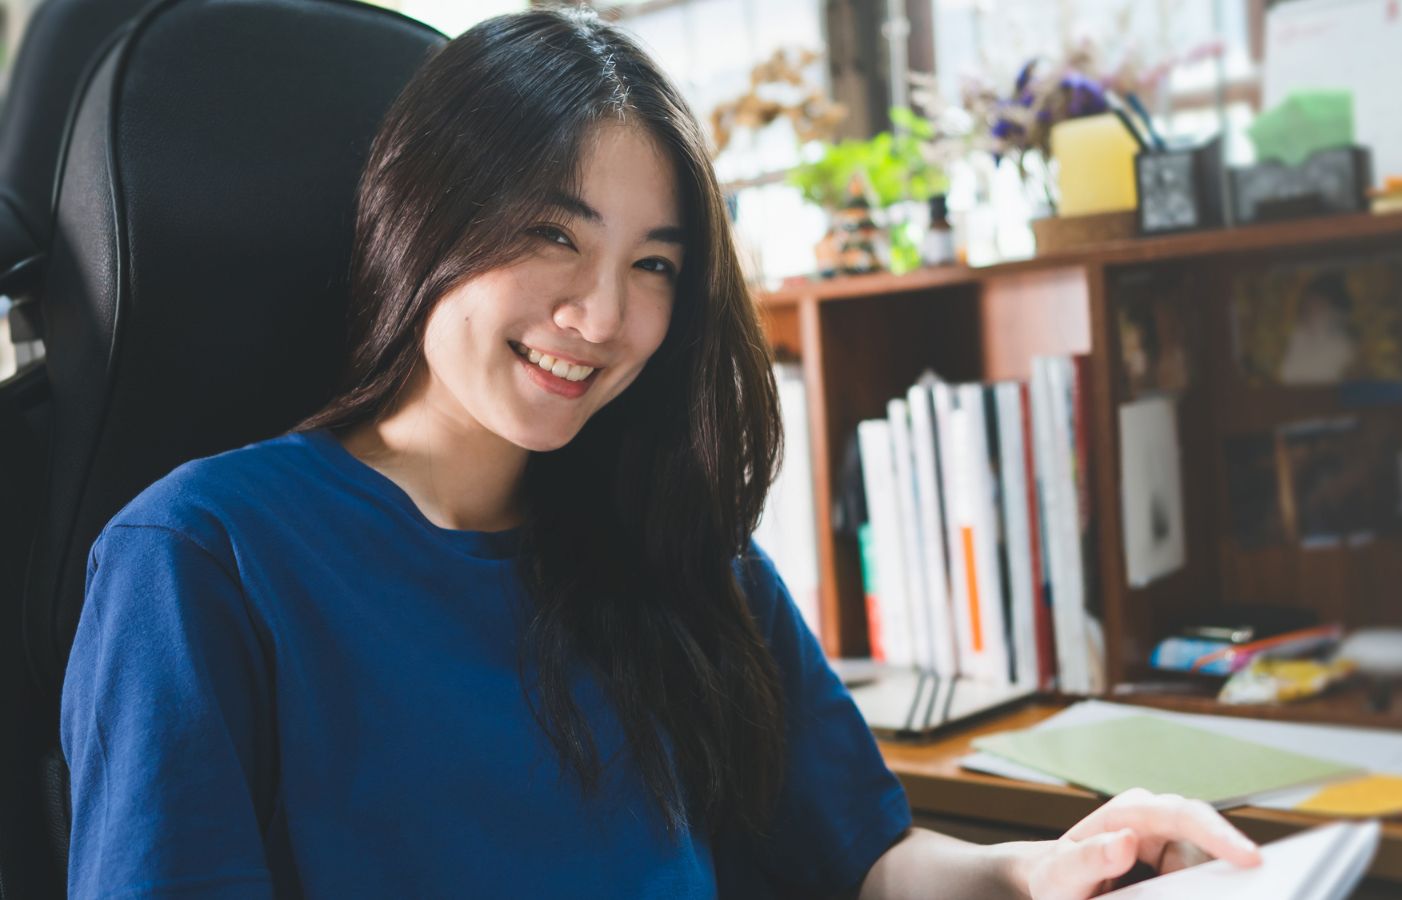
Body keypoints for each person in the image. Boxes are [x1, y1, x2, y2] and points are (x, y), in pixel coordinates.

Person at [58, 8, 1261, 898]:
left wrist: (1047, 870)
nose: (601, 315)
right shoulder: (202, 557)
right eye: (551, 236)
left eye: (653, 265)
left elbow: (868, 865)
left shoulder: (678, 550)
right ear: (421, 217)